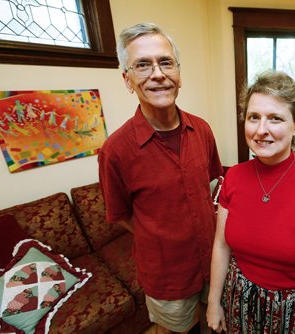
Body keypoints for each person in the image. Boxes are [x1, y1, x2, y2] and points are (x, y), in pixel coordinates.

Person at [98, 22, 223, 334]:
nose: (157, 74)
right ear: (127, 80)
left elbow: (210, 185)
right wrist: (162, 234)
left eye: (165, 62)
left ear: (178, 73)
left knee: (216, 321)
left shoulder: (202, 130)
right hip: (167, 275)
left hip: (213, 261)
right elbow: (120, 214)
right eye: (142, 65)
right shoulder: (115, 151)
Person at [206, 70, 295, 333]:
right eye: (254, 117)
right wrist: (213, 301)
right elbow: (221, 245)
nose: (261, 130)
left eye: (275, 118)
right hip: (239, 298)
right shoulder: (234, 176)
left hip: (292, 309)